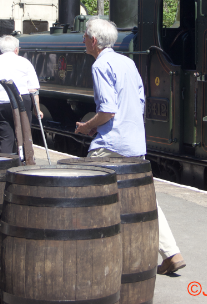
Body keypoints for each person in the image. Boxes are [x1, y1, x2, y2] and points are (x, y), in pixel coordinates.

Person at [75, 18, 186, 275]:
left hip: (111, 143)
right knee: (143, 198)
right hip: (135, 141)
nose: (82, 40)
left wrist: (86, 126)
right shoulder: (128, 62)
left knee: (87, 191)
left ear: (94, 41)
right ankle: (171, 252)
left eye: (85, 36)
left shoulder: (100, 65)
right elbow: (138, 102)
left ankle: (93, 255)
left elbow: (107, 111)